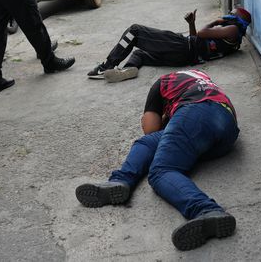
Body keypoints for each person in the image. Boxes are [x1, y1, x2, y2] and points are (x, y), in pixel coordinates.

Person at [76, 69, 240, 251]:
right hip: (227, 130)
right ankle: (120, 181)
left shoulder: (162, 83)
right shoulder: (198, 77)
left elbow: (150, 128)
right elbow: (152, 138)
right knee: (147, 143)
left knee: (161, 171)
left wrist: (156, 118)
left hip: (196, 113)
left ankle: (206, 209)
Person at [87, 7, 251, 82]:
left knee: (135, 31)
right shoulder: (232, 38)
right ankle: (129, 69)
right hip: (184, 57)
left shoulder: (233, 30)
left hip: (181, 45)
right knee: (139, 54)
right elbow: (197, 38)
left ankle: (106, 67)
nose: (228, 14)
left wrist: (216, 21)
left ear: (237, 19)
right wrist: (191, 23)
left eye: (231, 13)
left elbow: (201, 33)